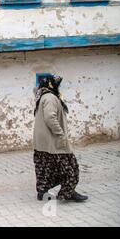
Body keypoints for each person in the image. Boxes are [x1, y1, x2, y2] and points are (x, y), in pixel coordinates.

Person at [33, 74, 88, 202]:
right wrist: (60, 133)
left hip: (43, 142)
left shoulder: (42, 95)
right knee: (71, 167)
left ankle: (42, 192)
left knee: (46, 167)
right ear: (51, 84)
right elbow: (50, 117)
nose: (58, 86)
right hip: (53, 140)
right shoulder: (50, 97)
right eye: (56, 83)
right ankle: (67, 192)